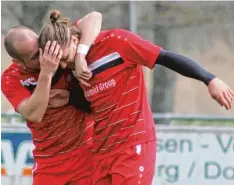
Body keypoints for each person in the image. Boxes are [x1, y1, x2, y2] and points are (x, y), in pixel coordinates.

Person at [38, 10, 234, 185]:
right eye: (59, 63)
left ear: (74, 40)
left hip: (133, 147)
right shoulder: (71, 69)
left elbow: (165, 57)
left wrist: (209, 79)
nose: (64, 66)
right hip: (102, 152)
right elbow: (94, 104)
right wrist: (70, 98)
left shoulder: (117, 42)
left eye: (64, 58)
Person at [1, 11, 102, 185]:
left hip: (86, 155)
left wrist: (79, 56)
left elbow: (94, 17)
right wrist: (46, 74)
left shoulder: (58, 48)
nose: (44, 58)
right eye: (34, 57)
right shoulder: (11, 78)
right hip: (48, 162)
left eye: (41, 50)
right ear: (17, 62)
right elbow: (34, 114)